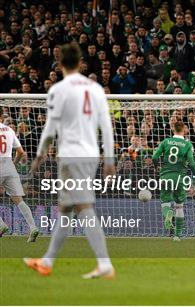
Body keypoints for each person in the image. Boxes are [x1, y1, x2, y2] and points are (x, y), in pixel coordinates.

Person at [25, 43, 116, 278]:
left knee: (83, 206)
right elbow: (106, 126)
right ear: (80, 62)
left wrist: (39, 154)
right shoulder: (95, 88)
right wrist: (109, 159)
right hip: (91, 154)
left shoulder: (59, 90)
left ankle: (105, 264)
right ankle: (47, 261)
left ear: (60, 63)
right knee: (65, 208)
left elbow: (50, 127)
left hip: (72, 155)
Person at [152, 120, 195, 240]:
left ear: (173, 129)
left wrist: (157, 167)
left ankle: (167, 214)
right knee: (179, 206)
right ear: (184, 129)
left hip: (165, 176)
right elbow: (192, 163)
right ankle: (177, 236)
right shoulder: (187, 145)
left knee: (165, 201)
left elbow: (154, 157)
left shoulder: (166, 141)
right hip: (179, 177)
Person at [0, 122, 39, 241]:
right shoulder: (10, 130)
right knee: (19, 200)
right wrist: (14, 163)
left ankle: (2, 225)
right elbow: (21, 152)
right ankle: (33, 228)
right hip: (9, 167)